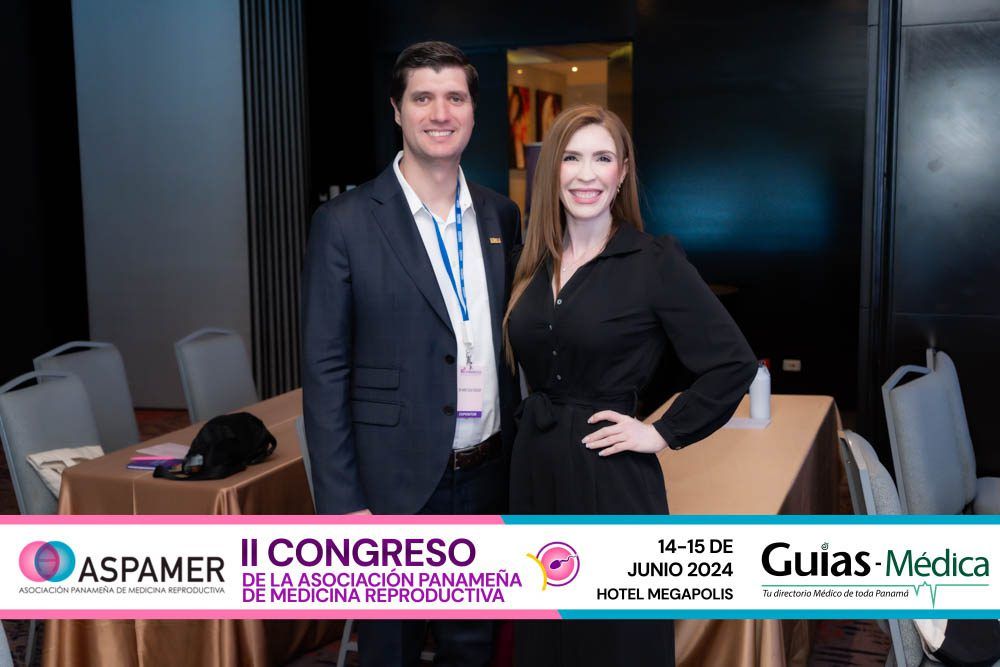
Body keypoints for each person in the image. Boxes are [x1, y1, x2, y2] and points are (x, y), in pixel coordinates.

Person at [503, 104, 757, 666]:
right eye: (571, 158)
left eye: (602, 159)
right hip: (535, 471)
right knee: (545, 635)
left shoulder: (654, 261)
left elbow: (732, 363)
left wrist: (661, 432)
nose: (586, 174)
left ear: (622, 174)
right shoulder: (530, 261)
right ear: (552, 170)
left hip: (610, 473)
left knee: (617, 640)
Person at [301, 41, 521, 666]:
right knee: (391, 650)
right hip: (390, 485)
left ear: (473, 112)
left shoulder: (501, 215)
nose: (440, 113)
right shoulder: (344, 222)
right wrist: (343, 506)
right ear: (397, 111)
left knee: (473, 649)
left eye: (455, 97)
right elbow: (324, 369)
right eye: (423, 98)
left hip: (486, 473)